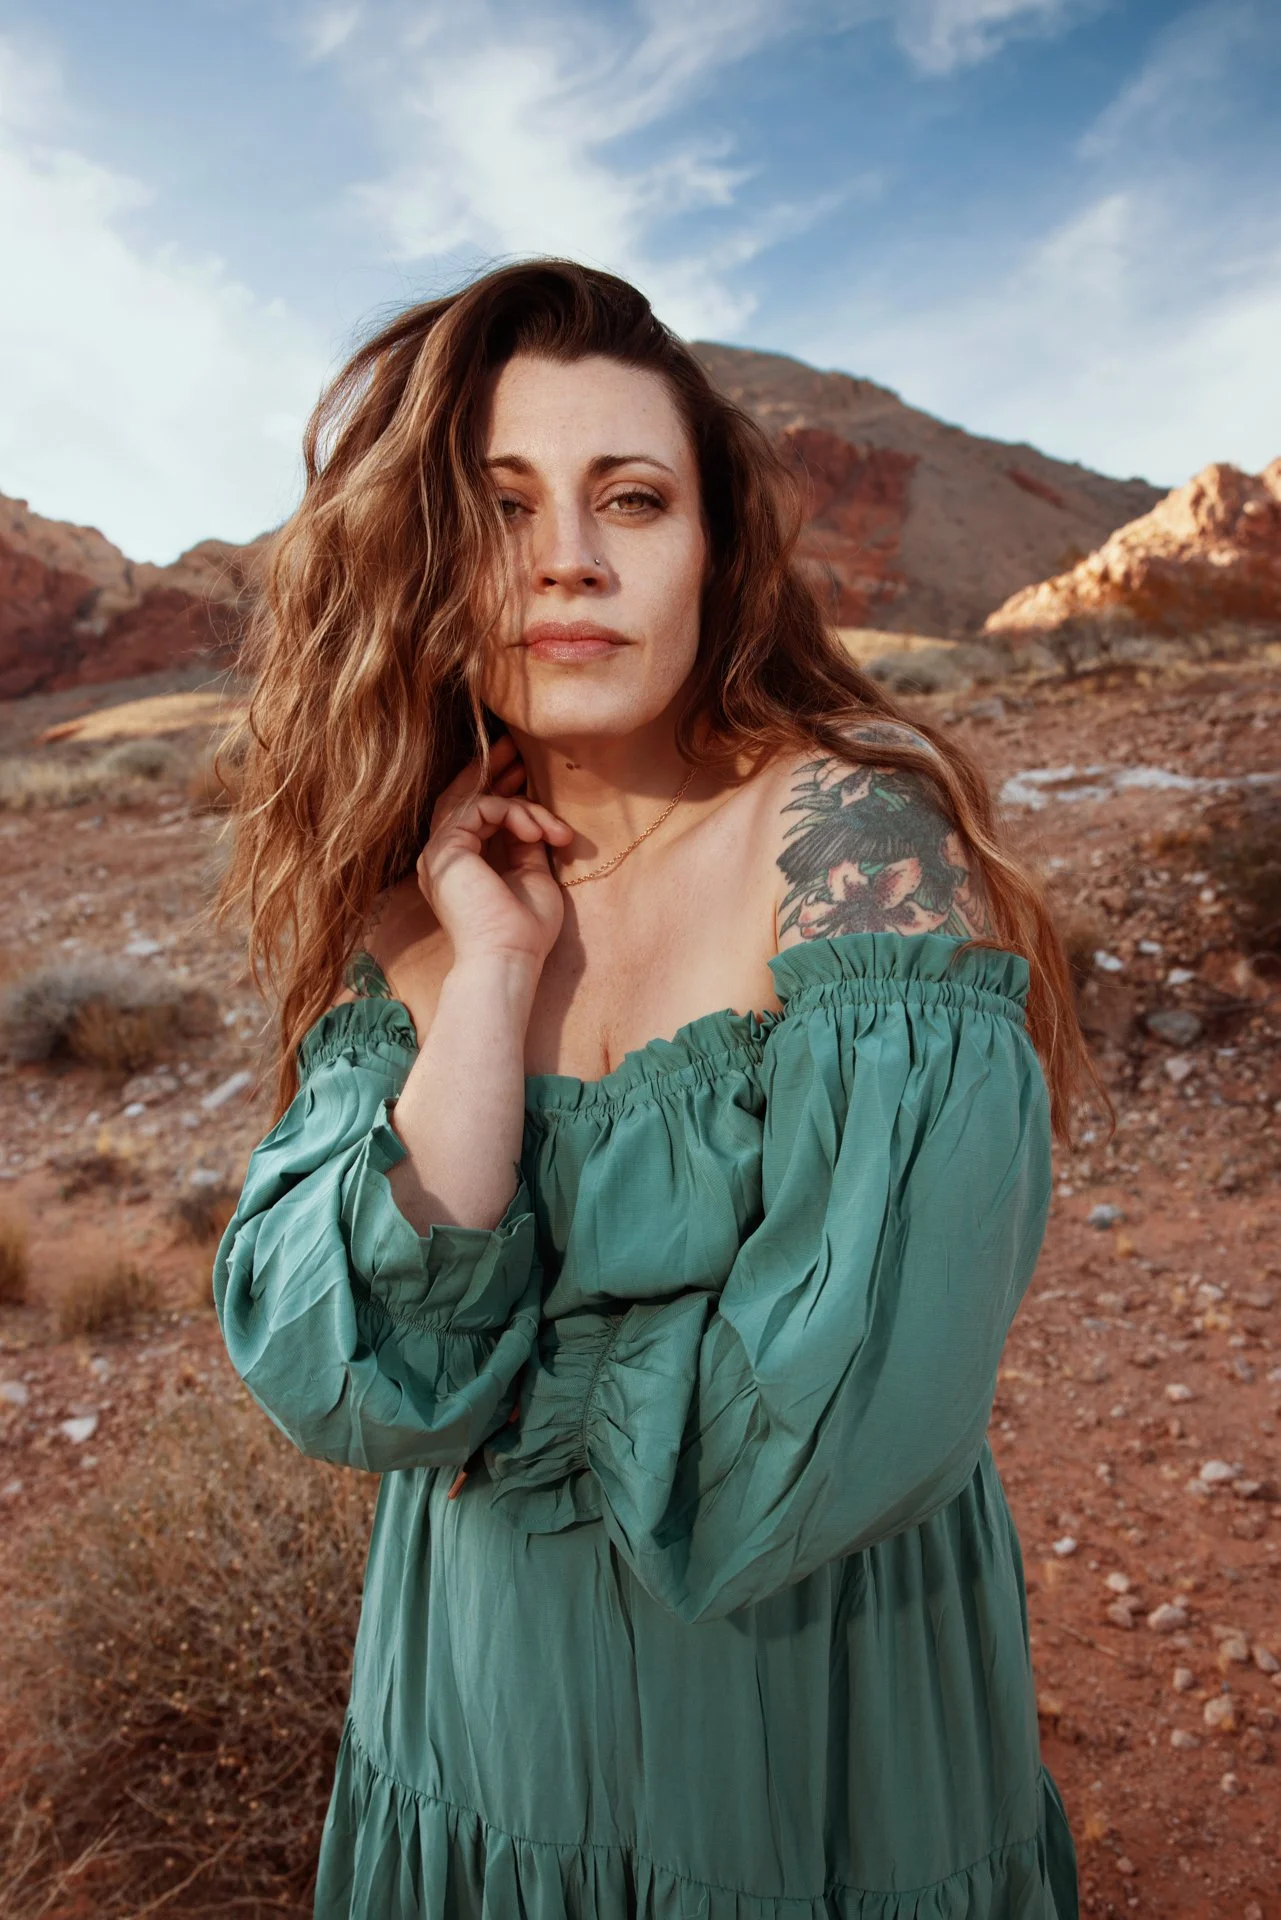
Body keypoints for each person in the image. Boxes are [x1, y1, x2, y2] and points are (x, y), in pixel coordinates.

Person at [211, 257, 1087, 1919]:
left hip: (806, 1726)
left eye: (633, 496)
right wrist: (486, 981)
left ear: (713, 551)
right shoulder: (416, 894)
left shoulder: (854, 853)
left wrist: (487, 1383)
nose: (568, 561)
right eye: (499, 506)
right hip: (477, 1717)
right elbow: (343, 1379)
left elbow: (827, 1429)